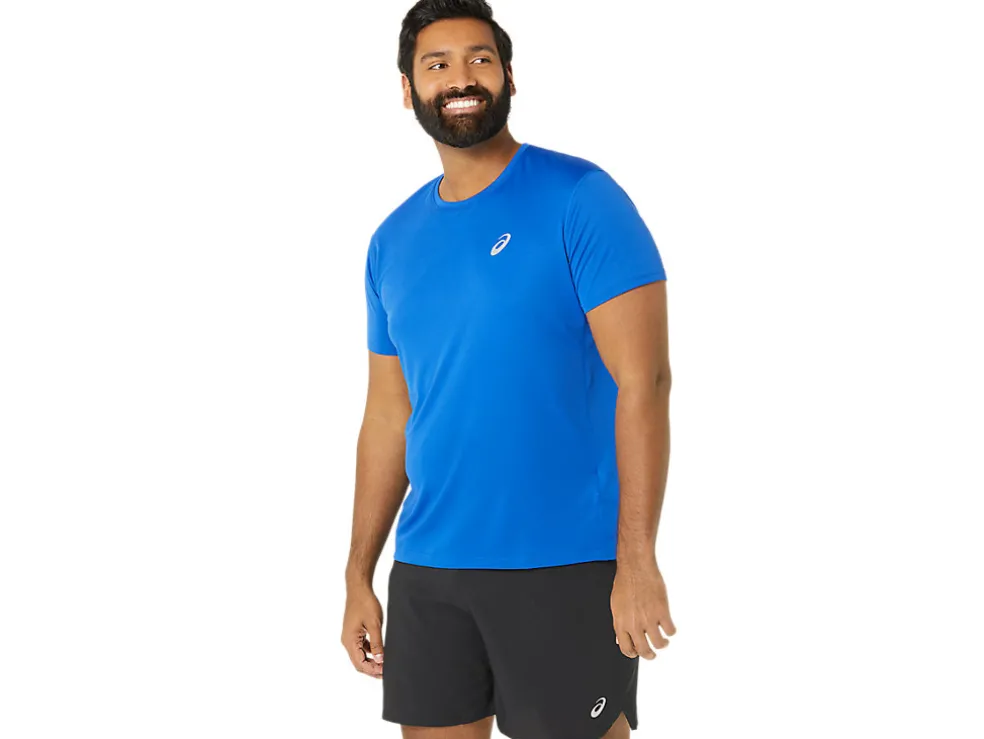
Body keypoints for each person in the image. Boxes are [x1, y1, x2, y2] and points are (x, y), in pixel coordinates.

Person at [341, 2, 675, 737]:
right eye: (437, 64)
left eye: (479, 59)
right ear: (408, 90)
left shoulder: (580, 198)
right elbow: (389, 415)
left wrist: (637, 559)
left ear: (510, 77)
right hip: (430, 568)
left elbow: (645, 383)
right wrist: (358, 574)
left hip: (563, 564)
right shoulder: (391, 241)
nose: (461, 78)